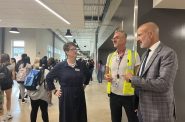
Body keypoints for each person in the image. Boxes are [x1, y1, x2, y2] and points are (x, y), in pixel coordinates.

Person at [124, 22, 178, 122]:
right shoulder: (145, 54)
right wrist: (137, 103)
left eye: (139, 35)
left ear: (150, 34)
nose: (137, 39)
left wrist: (133, 78)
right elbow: (144, 80)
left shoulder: (168, 53)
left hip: (159, 113)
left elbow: (163, 84)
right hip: (142, 110)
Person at [46, 42, 90, 122]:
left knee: (79, 116)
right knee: (66, 117)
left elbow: (88, 75)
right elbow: (48, 77)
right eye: (73, 49)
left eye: (76, 49)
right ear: (67, 52)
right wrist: (54, 90)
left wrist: (84, 85)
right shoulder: (60, 66)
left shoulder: (81, 65)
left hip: (79, 94)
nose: (75, 51)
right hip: (66, 96)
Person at [104, 29, 140, 122]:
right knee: (115, 119)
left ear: (124, 40)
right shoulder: (110, 56)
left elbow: (139, 75)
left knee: (133, 119)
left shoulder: (134, 55)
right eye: (113, 38)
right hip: (114, 94)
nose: (114, 40)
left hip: (129, 95)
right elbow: (106, 73)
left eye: (117, 37)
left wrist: (132, 77)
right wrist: (107, 76)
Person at [27, 57, 49, 122]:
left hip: (33, 95)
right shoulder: (46, 71)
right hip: (43, 95)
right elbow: (48, 84)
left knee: (34, 111)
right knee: (44, 111)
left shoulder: (32, 70)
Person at [0, 53, 14, 121]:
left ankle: (1, 116)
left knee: (1, 100)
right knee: (8, 99)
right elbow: (13, 76)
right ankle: (8, 113)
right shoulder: (11, 66)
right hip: (8, 84)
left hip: (0, 84)